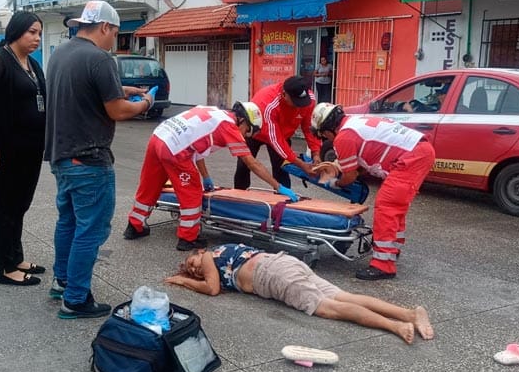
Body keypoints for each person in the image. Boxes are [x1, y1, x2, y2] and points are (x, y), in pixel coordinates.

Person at [45, 0, 155, 319]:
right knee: (91, 230)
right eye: (115, 33)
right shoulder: (100, 58)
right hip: (89, 160)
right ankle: (76, 299)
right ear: (105, 27)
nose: (114, 41)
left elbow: (87, 89)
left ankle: (62, 281)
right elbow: (118, 110)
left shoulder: (61, 54)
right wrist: (144, 102)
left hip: (61, 156)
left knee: (68, 221)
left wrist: (124, 88)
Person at [165, 244, 435, 344]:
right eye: (192, 271)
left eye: (192, 263)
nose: (195, 269)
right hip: (283, 265)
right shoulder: (222, 259)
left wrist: (182, 280)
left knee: (331, 309)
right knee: (344, 297)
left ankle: (395, 326)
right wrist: (190, 277)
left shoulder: (212, 255)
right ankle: (410, 313)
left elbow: (211, 289)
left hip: (273, 275)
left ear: (200, 252)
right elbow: (213, 283)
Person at [124, 102, 300, 251]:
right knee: (192, 194)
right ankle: (188, 238)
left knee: (150, 184)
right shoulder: (229, 126)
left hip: (159, 137)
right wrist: (278, 186)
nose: (245, 135)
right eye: (248, 130)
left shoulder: (216, 113)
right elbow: (252, 163)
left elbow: (196, 150)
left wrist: (206, 177)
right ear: (242, 120)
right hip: (175, 149)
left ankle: (134, 226)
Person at [310, 103, 435, 280]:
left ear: (327, 129)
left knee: (387, 207)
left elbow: (351, 175)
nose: (325, 139)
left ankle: (383, 265)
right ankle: (392, 250)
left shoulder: (344, 137)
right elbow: (364, 161)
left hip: (411, 157)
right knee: (395, 207)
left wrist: (334, 183)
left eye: (323, 135)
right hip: (419, 151)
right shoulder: (355, 122)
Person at [0, 11, 47, 286]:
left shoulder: (32, 65)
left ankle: (16, 257)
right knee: (4, 207)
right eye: (32, 32)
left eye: (39, 33)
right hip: (4, 149)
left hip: (30, 149)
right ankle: (4, 268)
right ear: (16, 31)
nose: (37, 38)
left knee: (20, 206)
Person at [233, 76, 321, 191]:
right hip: (255, 132)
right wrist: (302, 165)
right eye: (295, 103)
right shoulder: (269, 104)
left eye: (301, 103)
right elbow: (276, 141)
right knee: (243, 165)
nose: (299, 106)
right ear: (284, 95)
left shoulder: (308, 100)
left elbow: (308, 127)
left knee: (282, 168)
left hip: (283, 135)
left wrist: (316, 153)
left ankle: (284, 198)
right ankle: (239, 195)